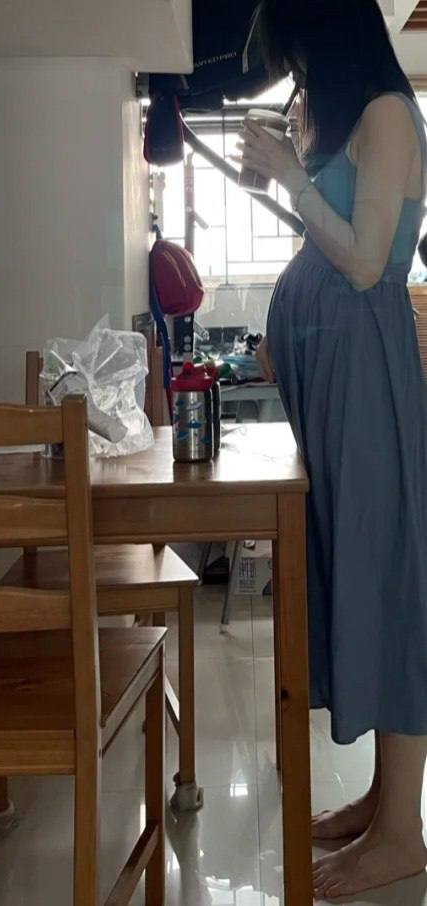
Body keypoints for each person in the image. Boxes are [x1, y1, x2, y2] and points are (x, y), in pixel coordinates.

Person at [235, 0, 427, 898]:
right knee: (353, 572)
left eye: (303, 61)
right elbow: (331, 236)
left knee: (383, 580)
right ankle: (382, 803)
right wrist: (287, 175)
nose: (300, 78)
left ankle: (401, 834)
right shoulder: (354, 121)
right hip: (333, 379)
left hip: (365, 378)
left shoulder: (387, 114)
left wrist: (290, 176)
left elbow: (365, 261)